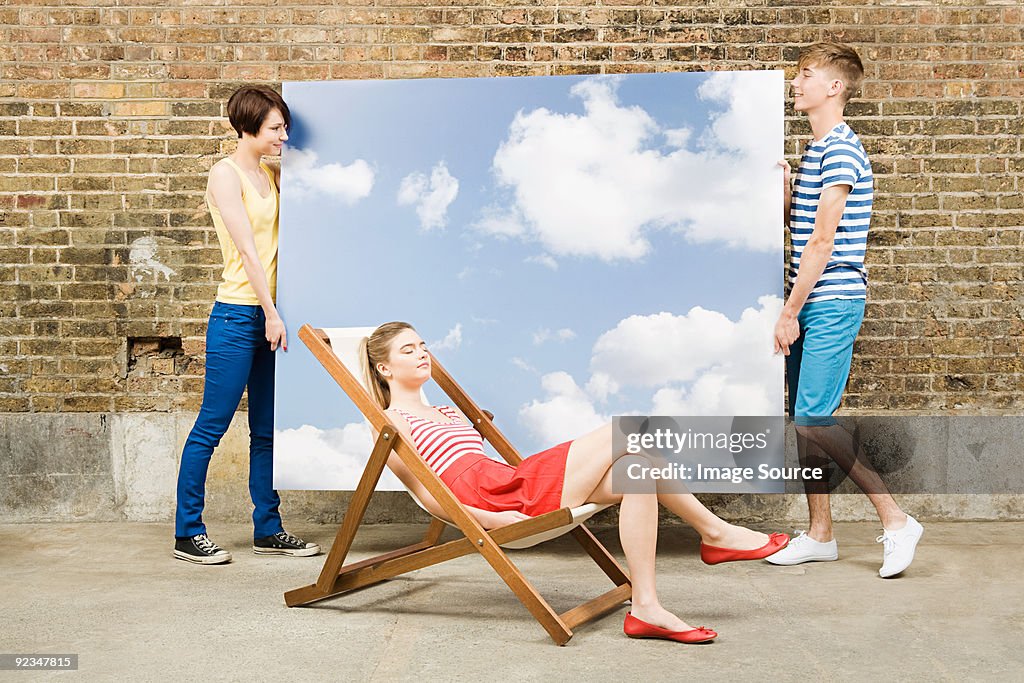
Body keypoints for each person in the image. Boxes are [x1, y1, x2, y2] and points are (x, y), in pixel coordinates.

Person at [360, 322, 790, 643]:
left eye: (423, 345)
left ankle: (646, 607)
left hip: (509, 479)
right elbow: (428, 494)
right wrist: (487, 521)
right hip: (498, 497)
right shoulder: (392, 422)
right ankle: (715, 534)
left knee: (639, 466)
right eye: (408, 349)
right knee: (633, 427)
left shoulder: (451, 413)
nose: (423, 353)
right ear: (384, 367)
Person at [769, 42, 923, 577]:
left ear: (834, 87)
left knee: (814, 419)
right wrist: (788, 193)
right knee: (804, 422)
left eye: (805, 76)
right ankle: (820, 535)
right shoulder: (817, 152)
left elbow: (823, 244)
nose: (796, 84)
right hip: (808, 298)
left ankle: (897, 518)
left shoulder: (841, 150)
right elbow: (802, 225)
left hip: (829, 301)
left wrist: (789, 311)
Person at [173, 86, 320, 564]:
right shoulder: (225, 175)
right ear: (248, 128)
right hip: (238, 314)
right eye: (275, 128)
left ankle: (268, 528)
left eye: (284, 127)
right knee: (211, 427)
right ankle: (187, 532)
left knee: (267, 430)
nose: (284, 136)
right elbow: (248, 253)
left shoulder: (271, 175)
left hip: (270, 314)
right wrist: (271, 313)